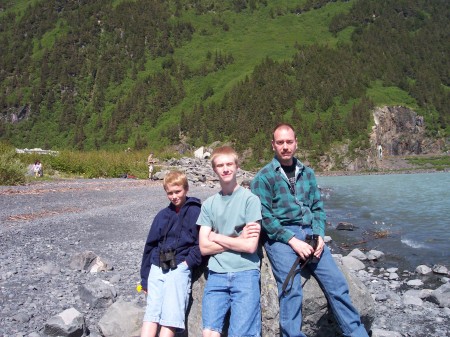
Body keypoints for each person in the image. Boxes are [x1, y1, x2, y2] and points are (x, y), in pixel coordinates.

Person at [251, 123, 370, 337]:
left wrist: (319, 235)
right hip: (280, 237)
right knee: (291, 289)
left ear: (296, 143)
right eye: (280, 142)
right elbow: (265, 217)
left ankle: (356, 332)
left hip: (310, 233)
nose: (285, 147)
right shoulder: (263, 177)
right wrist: (292, 241)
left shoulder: (308, 173)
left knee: (337, 283)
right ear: (273, 145)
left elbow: (317, 209)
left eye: (289, 142)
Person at [197, 146, 262, 337]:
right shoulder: (209, 204)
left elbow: (250, 246)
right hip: (216, 273)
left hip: (245, 272)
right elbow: (203, 247)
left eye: (229, 164)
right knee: (209, 332)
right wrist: (236, 239)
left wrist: (216, 236)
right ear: (214, 170)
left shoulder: (251, 200)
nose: (225, 169)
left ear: (237, 166)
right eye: (220, 165)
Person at [139, 170, 202, 337]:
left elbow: (200, 243)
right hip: (157, 267)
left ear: (186, 189)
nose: (174, 196)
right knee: (151, 314)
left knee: (170, 318)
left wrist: (187, 263)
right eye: (170, 193)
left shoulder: (195, 212)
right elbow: (150, 245)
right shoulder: (162, 215)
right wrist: (145, 278)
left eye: (178, 191)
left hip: (179, 267)